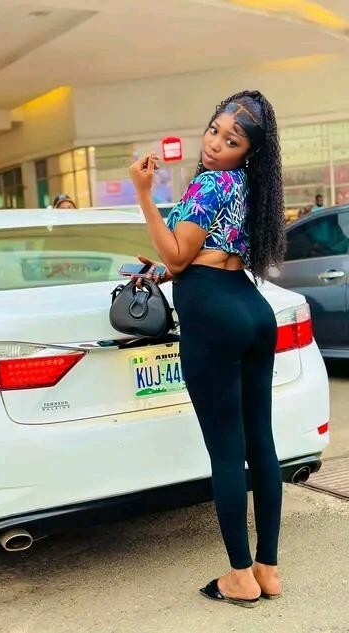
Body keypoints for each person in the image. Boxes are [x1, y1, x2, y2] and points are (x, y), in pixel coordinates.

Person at [129, 89, 286, 608]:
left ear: (249, 151)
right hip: (252, 309)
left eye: (232, 140)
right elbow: (204, 253)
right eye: (214, 131)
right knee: (260, 443)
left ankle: (240, 577)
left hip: (215, 319)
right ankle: (267, 569)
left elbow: (178, 257)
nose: (216, 144)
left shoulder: (209, 183)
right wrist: (169, 265)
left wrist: (145, 194)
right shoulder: (250, 185)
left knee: (226, 451)